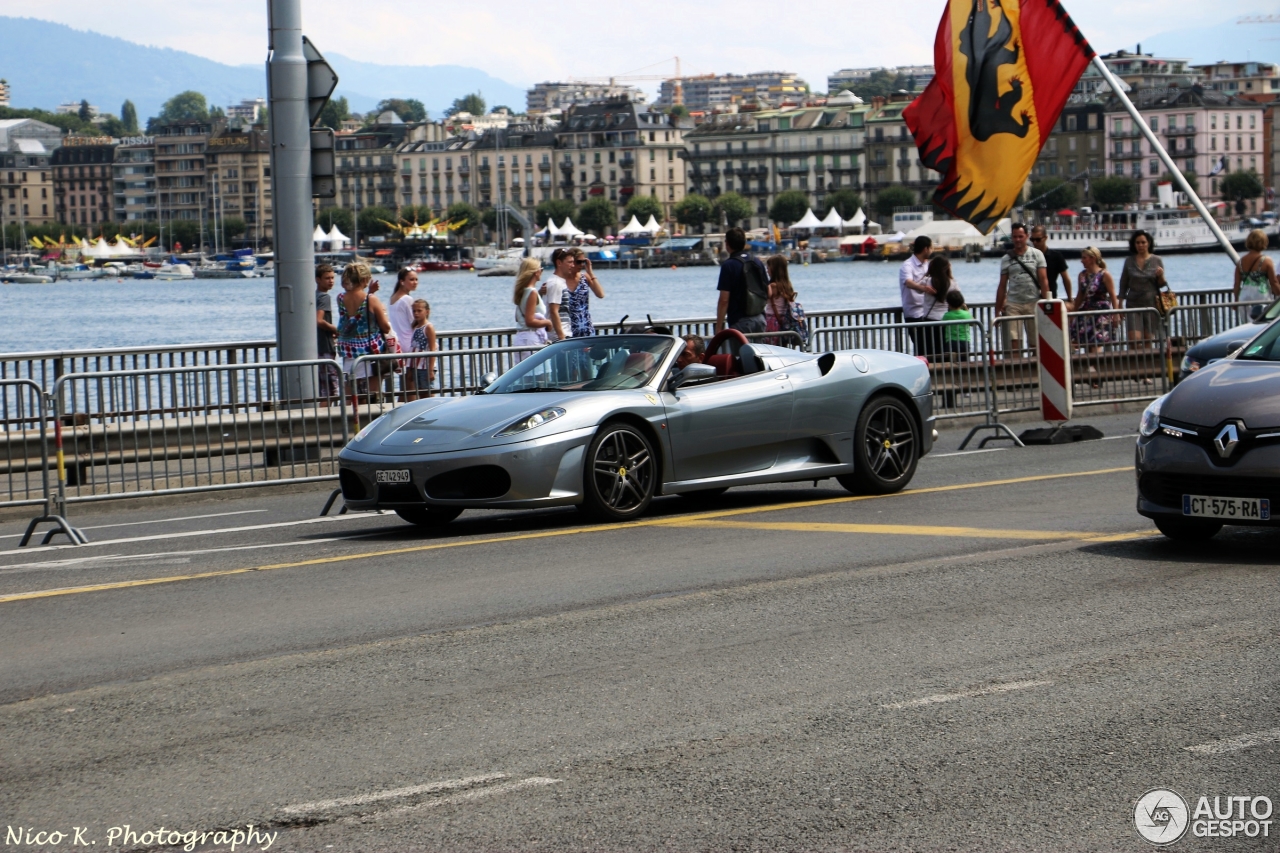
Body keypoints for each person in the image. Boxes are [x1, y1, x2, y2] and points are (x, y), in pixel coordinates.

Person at [336, 262, 395, 400]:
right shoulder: (371, 299)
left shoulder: (341, 298)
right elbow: (385, 327)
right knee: (372, 395)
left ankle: (352, 420)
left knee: (352, 395)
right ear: (363, 280)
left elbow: (354, 318)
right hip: (369, 352)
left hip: (350, 352)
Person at [996, 223, 1049, 353]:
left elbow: (1043, 279)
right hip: (1014, 303)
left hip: (1033, 301)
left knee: (1034, 340)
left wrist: (1047, 302)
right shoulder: (1006, 259)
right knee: (1015, 339)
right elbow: (1002, 285)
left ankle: (1035, 368)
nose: (1018, 239)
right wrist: (997, 311)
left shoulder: (1037, 255)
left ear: (1027, 236)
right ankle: (1017, 369)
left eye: (1020, 236)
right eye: (1015, 237)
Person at [715, 227, 769, 334]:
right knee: (759, 351)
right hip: (760, 319)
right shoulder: (757, 262)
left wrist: (718, 327)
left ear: (727, 244)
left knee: (739, 351)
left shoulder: (728, 265)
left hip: (740, 322)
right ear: (744, 243)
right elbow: (767, 291)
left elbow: (724, 300)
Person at [1070, 246, 1118, 362]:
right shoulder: (1082, 275)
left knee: (1096, 342)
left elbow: (1112, 295)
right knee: (1085, 341)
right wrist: (1073, 313)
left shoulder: (1105, 275)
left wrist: (1116, 314)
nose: (1082, 261)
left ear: (1092, 259)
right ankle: (1091, 371)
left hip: (1100, 312)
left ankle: (1096, 371)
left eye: (1084, 258)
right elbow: (1080, 295)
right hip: (1086, 311)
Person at [1117, 229, 1163, 343]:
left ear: (1148, 243)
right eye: (1137, 243)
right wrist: (1119, 305)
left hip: (1151, 304)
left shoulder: (1157, 260)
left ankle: (1147, 361)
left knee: (1148, 339)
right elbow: (1123, 283)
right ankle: (1134, 360)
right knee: (1134, 339)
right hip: (1133, 303)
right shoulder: (1129, 261)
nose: (1140, 245)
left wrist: (1161, 276)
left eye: (1143, 242)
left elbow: (1161, 284)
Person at [898, 235, 935, 356]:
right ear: (926, 249)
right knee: (920, 347)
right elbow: (908, 282)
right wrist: (924, 289)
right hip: (914, 312)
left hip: (929, 311)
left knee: (932, 347)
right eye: (931, 248)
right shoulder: (907, 265)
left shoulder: (928, 264)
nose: (932, 251)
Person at [1233, 228, 1279, 321]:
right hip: (1262, 298)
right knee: (1263, 326)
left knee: (1247, 327)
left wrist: (1236, 301)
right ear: (1263, 242)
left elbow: (1236, 284)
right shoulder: (1266, 261)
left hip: (1244, 299)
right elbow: (1273, 282)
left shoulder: (1241, 262)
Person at [763, 254, 809, 348]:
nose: (767, 271)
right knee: (782, 349)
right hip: (785, 323)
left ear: (774, 269)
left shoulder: (772, 286)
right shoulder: (787, 286)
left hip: (772, 322)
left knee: (770, 349)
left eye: (768, 268)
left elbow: (765, 297)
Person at [388, 267, 420, 399]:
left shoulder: (393, 298)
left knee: (405, 386)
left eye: (416, 279)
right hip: (410, 343)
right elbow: (415, 322)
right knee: (411, 385)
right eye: (411, 279)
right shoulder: (407, 299)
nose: (415, 282)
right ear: (402, 281)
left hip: (399, 344)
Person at [512, 258, 551, 363]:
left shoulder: (522, 291)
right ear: (536, 272)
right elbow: (529, 321)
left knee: (524, 377)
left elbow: (518, 317)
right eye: (541, 269)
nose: (542, 272)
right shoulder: (532, 292)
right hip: (531, 340)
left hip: (521, 339)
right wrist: (548, 322)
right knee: (541, 377)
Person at [562, 247, 605, 337]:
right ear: (571, 262)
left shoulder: (585, 277)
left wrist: (590, 272)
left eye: (583, 262)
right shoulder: (560, 280)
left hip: (586, 327)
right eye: (578, 262)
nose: (581, 265)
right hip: (568, 329)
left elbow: (600, 294)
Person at [314, 263, 341, 400]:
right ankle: (330, 418)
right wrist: (335, 329)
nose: (331, 281)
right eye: (327, 278)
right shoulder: (324, 297)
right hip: (325, 346)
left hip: (317, 347)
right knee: (330, 390)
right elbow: (318, 320)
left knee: (322, 388)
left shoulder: (315, 295)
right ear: (318, 280)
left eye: (332, 278)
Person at [541, 248, 576, 342]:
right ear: (559, 263)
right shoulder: (556, 283)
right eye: (570, 262)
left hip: (564, 334)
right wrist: (562, 338)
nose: (573, 265)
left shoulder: (559, 282)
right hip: (558, 337)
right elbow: (553, 311)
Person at [1030, 225, 1072, 300]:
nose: (1035, 242)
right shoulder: (1028, 256)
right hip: (1031, 299)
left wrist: (1070, 298)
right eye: (1032, 239)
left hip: (1050, 298)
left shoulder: (1056, 256)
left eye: (1038, 239)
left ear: (1045, 238)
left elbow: (1065, 279)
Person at [409, 298, 436, 398]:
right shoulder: (415, 327)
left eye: (419, 311)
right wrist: (410, 369)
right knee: (420, 393)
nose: (416, 313)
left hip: (425, 367)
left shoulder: (428, 327)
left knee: (428, 392)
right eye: (414, 311)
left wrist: (431, 370)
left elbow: (433, 349)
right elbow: (413, 348)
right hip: (416, 366)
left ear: (427, 312)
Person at [941, 289, 973, 358]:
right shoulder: (966, 314)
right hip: (965, 341)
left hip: (951, 342)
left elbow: (942, 325)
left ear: (948, 304)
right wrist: (966, 309)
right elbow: (972, 323)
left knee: (952, 363)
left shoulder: (947, 315)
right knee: (965, 361)